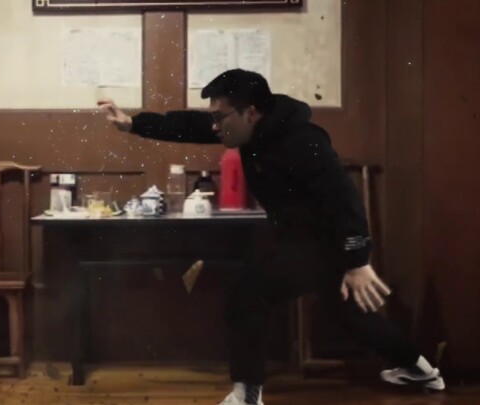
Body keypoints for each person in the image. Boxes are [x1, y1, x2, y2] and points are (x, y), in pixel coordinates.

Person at [97, 69, 445, 405]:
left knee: (248, 294)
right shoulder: (247, 129)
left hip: (322, 244)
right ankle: (422, 371)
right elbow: (190, 124)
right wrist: (133, 124)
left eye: (220, 117)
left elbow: (345, 199)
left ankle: (247, 398)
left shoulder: (304, 140)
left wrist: (356, 261)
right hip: (304, 244)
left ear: (250, 112)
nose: (214, 126)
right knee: (347, 314)